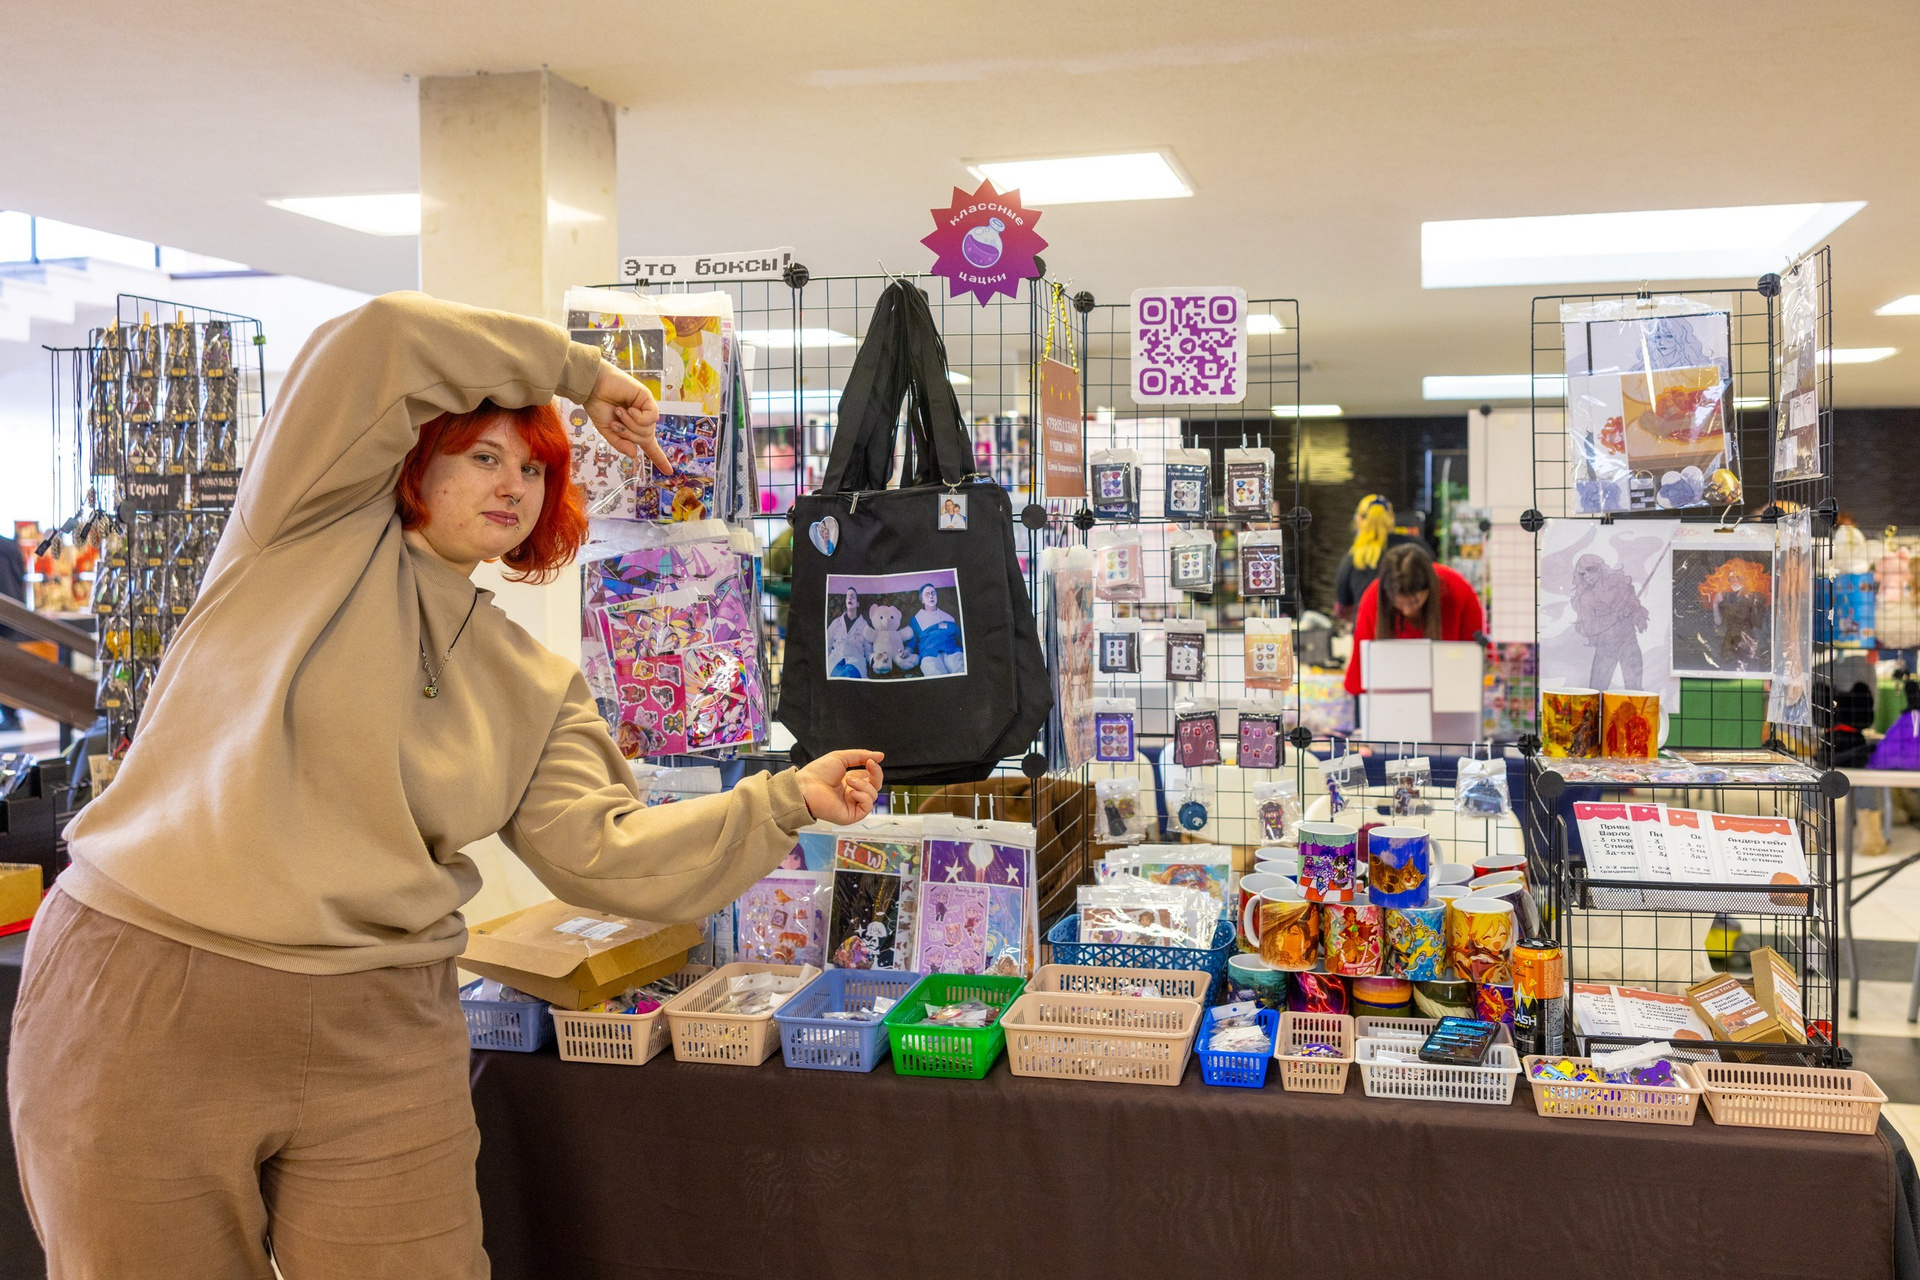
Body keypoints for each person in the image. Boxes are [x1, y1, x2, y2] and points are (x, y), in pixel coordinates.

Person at [7, 291, 885, 1279]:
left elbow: (608, 853)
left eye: (533, 469)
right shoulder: (298, 536)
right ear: (416, 459)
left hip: (382, 1024)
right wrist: (581, 372)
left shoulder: (533, 682)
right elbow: (382, 338)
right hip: (153, 990)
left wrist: (784, 801)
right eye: (483, 456)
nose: (513, 484)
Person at [1343, 542, 1485, 696]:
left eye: (1415, 602)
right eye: (1399, 603)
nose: (1407, 611)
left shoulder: (1457, 591)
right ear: (1388, 596)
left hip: (1452, 695)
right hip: (1392, 699)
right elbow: (1358, 674)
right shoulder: (1373, 598)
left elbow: (1477, 658)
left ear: (1429, 589)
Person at [1333, 495, 1428, 621]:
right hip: (1412, 626)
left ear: (1359, 520)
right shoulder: (1415, 547)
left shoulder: (1353, 558)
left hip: (1368, 627)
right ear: (1391, 518)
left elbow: (1343, 609)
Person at [909, 582, 963, 676]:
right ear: (922, 600)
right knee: (934, 672)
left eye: (933, 593)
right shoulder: (916, 620)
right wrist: (906, 651)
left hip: (952, 651)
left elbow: (959, 637)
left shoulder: (949, 618)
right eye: (927, 594)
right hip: (929, 654)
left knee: (959, 668)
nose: (931, 596)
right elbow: (911, 642)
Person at [0, 528, 24, 732]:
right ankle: (11, 714)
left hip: (4, 612)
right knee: (7, 664)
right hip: (14, 613)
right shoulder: (11, 546)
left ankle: (10, 715)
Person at [826, 586, 874, 678]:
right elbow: (827, 644)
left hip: (855, 662)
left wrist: (874, 658)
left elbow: (868, 651)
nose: (850, 598)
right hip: (835, 662)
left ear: (857, 603)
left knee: (848, 675)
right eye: (848, 596)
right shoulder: (836, 623)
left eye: (852, 596)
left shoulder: (864, 625)